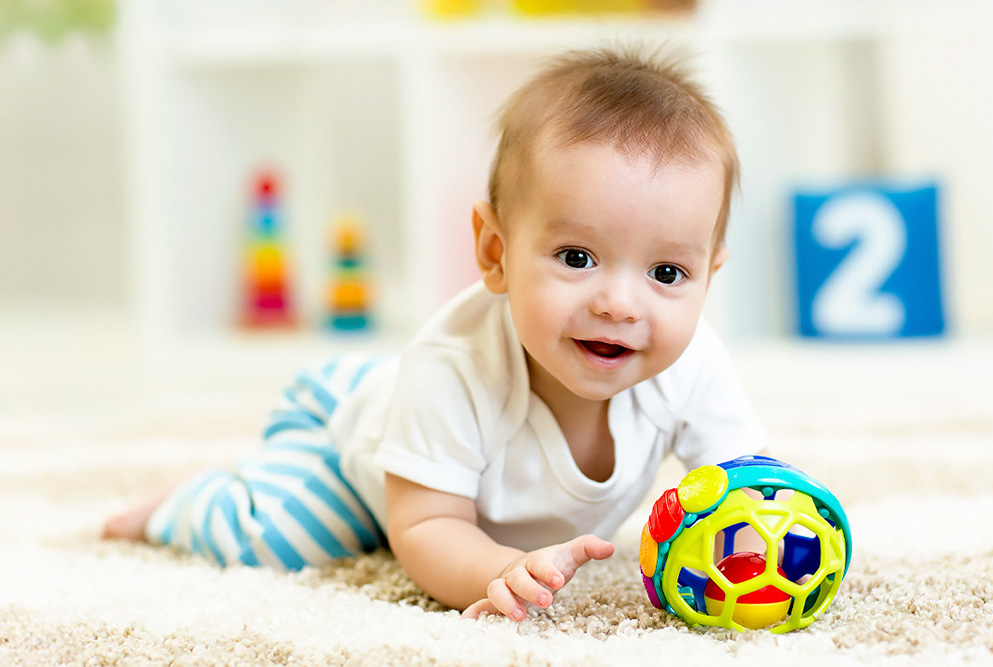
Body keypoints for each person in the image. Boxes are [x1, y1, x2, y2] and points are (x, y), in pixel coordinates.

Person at [103, 46, 767, 622]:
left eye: (667, 271)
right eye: (576, 257)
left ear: (710, 274)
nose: (621, 303)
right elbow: (425, 526)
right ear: (495, 251)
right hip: (350, 432)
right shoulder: (454, 369)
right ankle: (183, 504)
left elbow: (746, 483)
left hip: (404, 406)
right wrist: (495, 569)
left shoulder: (694, 362)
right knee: (288, 536)